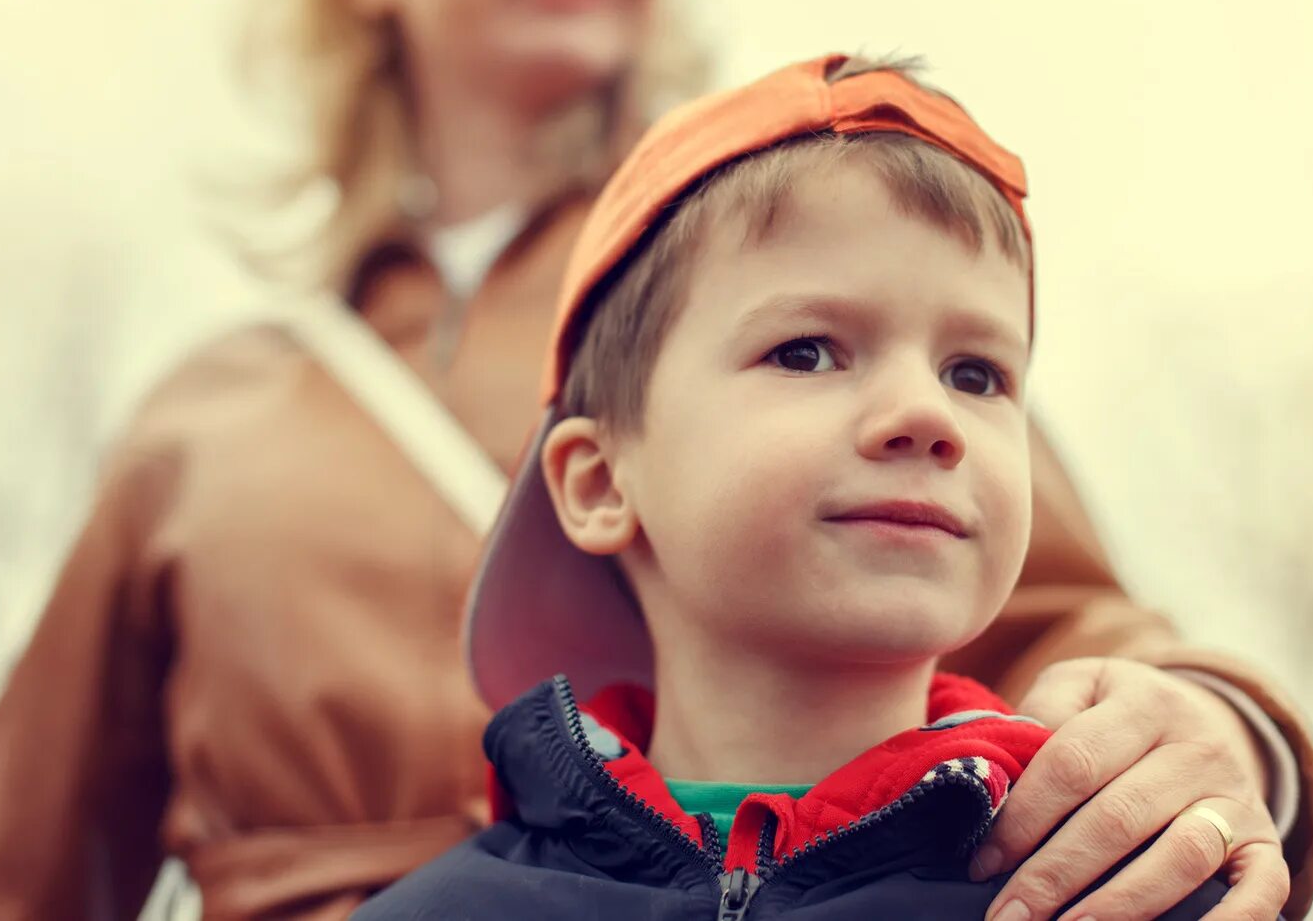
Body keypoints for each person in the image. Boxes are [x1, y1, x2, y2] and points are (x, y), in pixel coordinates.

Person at [0, 0, 1313, 918]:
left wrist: (1223, 734)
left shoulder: (773, 290)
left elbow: (1077, 628)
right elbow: (17, 862)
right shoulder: (211, 411)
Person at [352, 52, 1242, 920]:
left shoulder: (1124, 892)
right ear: (598, 483)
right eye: (806, 351)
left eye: (975, 373)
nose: (926, 412)